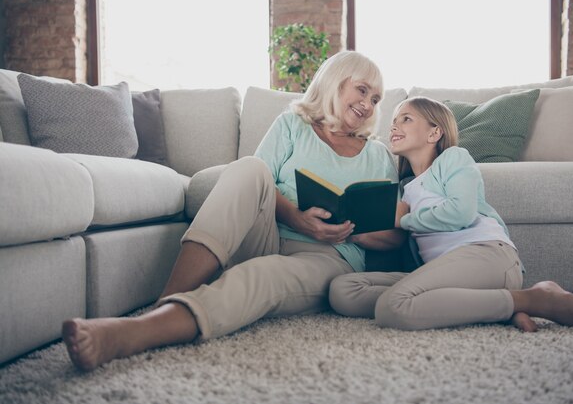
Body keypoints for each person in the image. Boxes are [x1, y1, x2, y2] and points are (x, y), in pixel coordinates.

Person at [61, 51, 405, 371]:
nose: (367, 104)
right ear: (335, 81)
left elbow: (393, 238)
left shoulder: (379, 155)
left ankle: (141, 330)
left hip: (329, 258)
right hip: (266, 233)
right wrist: (298, 218)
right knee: (249, 168)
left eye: (375, 99)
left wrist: (348, 228)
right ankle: (168, 299)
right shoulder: (292, 125)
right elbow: (261, 184)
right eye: (361, 90)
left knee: (263, 275)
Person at [329, 96, 573, 333]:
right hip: (445, 273)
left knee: (392, 308)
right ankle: (501, 306)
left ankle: (534, 299)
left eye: (406, 119)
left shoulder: (453, 158)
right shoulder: (404, 188)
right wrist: (351, 229)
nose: (394, 125)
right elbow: (395, 235)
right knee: (343, 291)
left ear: (434, 133)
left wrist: (403, 219)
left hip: (486, 255)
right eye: (394, 120)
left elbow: (460, 213)